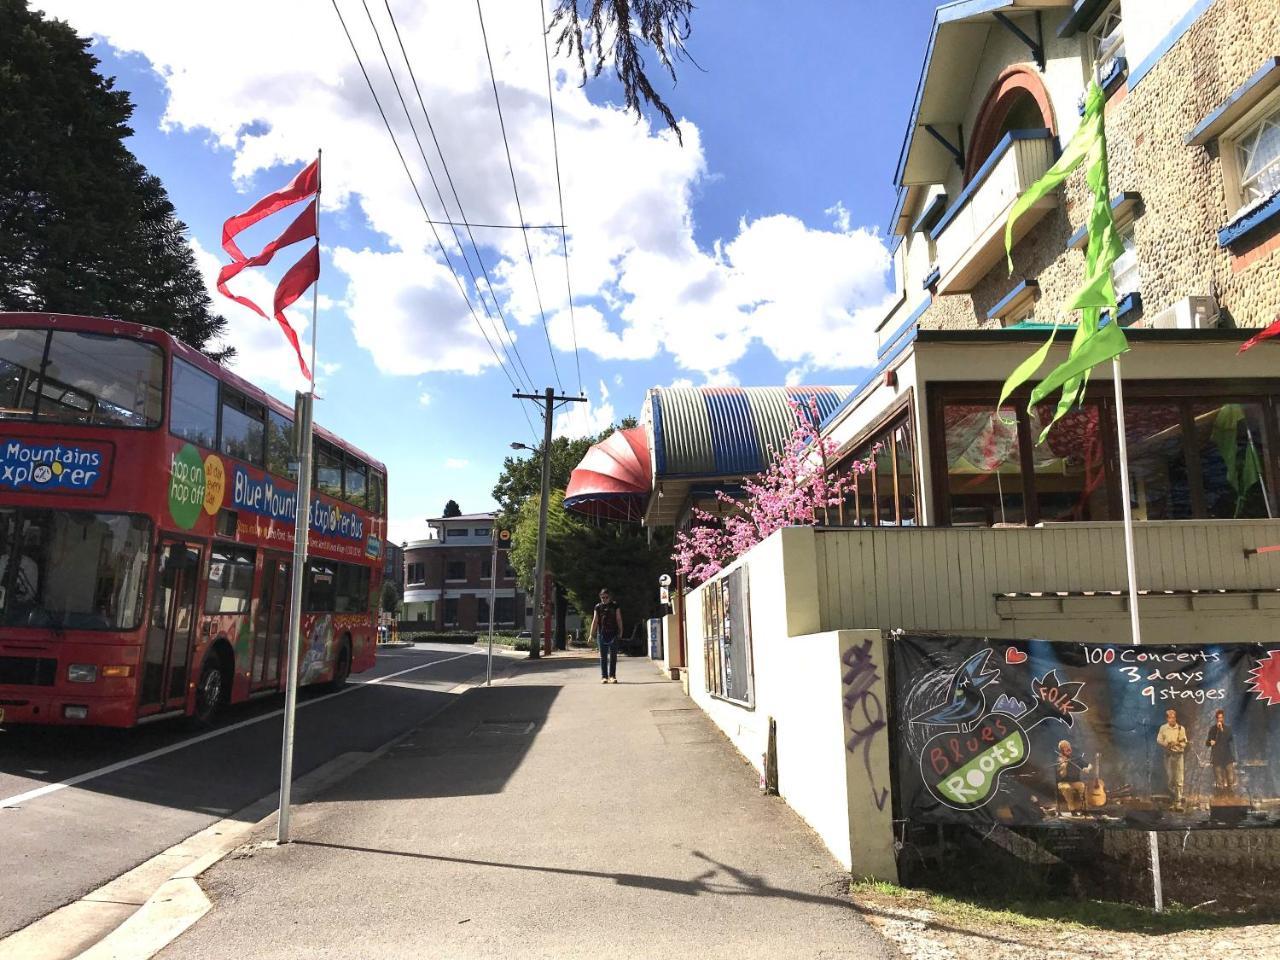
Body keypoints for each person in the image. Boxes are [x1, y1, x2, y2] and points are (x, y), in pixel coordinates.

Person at [1156, 708, 1189, 809]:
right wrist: (1167, 744)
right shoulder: (1163, 728)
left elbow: (1184, 742)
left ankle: (1178, 802)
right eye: (1170, 718)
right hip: (1168, 756)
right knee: (1170, 779)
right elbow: (1159, 740)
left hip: (1178, 755)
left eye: (1173, 717)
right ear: (1167, 719)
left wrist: (1178, 744)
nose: (1172, 719)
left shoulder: (1180, 728)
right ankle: (1172, 801)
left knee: (1179, 779)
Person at [590, 588, 622, 684]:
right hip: (602, 634)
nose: (604, 599)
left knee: (613, 656)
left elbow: (619, 619)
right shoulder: (598, 607)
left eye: (606, 597)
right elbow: (595, 620)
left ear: (609, 597)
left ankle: (612, 676)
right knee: (603, 656)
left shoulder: (615, 605)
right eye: (602, 597)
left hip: (613, 634)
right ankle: (604, 677)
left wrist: (621, 631)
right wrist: (591, 634)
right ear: (600, 597)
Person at [1054, 740, 1091, 815]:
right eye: (1065, 747)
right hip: (1063, 782)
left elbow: (1089, 764)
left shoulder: (1076, 758)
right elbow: (1062, 776)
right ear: (1061, 750)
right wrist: (1064, 767)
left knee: (1082, 786)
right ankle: (1072, 810)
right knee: (1067, 788)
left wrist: (1088, 769)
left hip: (1075, 781)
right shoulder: (1059, 760)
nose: (1068, 748)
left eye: (1068, 746)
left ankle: (1085, 810)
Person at [1206, 709, 1237, 794]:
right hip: (1217, 757)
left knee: (1230, 778)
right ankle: (1220, 795)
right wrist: (1210, 742)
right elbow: (1207, 743)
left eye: (1221, 718)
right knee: (1219, 779)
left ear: (1223, 718)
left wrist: (1222, 730)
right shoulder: (1213, 729)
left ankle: (1231, 795)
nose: (1220, 719)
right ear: (1216, 719)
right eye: (1218, 718)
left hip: (1227, 756)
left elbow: (1229, 738)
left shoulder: (1227, 728)